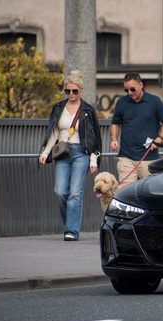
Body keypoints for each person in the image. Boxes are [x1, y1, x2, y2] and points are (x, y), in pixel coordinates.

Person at [39, 70, 102, 241]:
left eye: (74, 91)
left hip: (81, 153)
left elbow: (94, 137)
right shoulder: (59, 108)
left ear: (81, 90)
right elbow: (53, 132)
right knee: (60, 191)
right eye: (68, 91)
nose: (71, 94)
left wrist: (94, 159)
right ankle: (70, 224)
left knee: (75, 193)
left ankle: (72, 231)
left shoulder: (88, 110)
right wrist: (45, 152)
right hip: (62, 153)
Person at [110, 72, 163, 186]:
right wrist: (113, 138)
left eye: (133, 89)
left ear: (141, 85)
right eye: (126, 90)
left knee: (149, 192)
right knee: (126, 192)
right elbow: (115, 123)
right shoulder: (121, 102)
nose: (130, 93)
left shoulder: (155, 101)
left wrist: (159, 138)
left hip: (148, 158)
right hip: (126, 157)